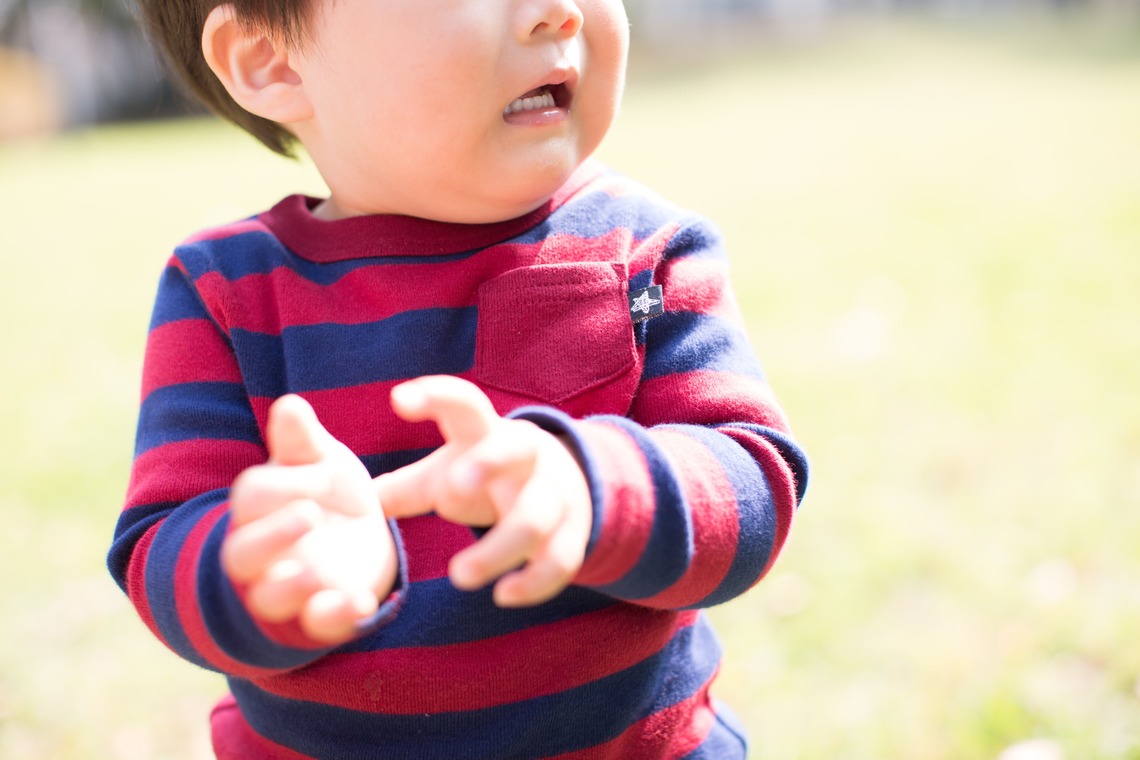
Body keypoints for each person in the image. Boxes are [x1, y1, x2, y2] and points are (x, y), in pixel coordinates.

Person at [107, 0, 810, 757]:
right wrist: (270, 564)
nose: (557, 13)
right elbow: (161, 544)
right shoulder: (225, 293)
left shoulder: (647, 249)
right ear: (271, 60)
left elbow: (753, 482)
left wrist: (597, 484)